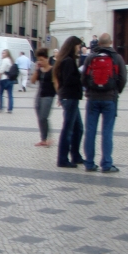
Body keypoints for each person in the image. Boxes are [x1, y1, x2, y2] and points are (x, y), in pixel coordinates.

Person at [81, 33, 127, 172]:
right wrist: (116, 91)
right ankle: (106, 164)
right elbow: (123, 78)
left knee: (90, 131)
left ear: (99, 43)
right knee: (107, 132)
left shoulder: (90, 57)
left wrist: (89, 90)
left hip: (93, 99)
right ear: (111, 42)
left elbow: (83, 78)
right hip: (109, 99)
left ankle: (89, 163)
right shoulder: (117, 58)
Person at [53, 36, 85, 168]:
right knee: (68, 129)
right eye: (78, 46)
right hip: (70, 97)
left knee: (78, 128)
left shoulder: (67, 60)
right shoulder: (68, 61)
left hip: (70, 97)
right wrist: (80, 76)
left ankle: (75, 155)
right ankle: (62, 159)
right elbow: (68, 80)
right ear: (73, 46)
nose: (79, 49)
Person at [30, 47, 55, 147]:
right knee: (40, 118)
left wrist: (60, 96)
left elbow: (56, 83)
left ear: (47, 59)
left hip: (48, 96)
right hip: (39, 95)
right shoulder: (39, 70)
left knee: (44, 117)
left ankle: (48, 137)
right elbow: (32, 81)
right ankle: (43, 139)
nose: (40, 62)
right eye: (38, 60)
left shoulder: (52, 70)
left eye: (42, 60)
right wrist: (37, 69)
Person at [0, 48, 15, 113]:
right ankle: (10, 109)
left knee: (0, 94)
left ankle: (0, 108)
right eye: (2, 53)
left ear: (7, 54)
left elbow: (1, 70)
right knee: (10, 95)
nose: (2, 54)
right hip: (10, 79)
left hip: (4, 78)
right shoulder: (11, 61)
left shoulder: (5, 60)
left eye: (3, 53)